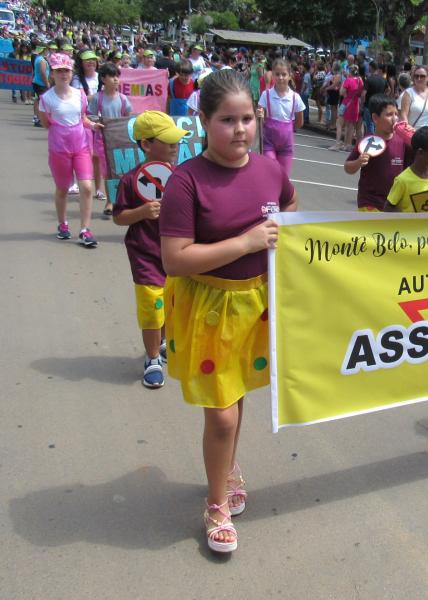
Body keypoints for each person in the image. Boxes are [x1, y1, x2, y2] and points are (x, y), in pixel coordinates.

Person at [160, 69, 298, 553]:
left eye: (247, 118)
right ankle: (217, 505)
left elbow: (290, 212)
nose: (240, 129)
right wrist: (244, 242)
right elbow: (174, 258)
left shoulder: (270, 170)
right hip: (209, 306)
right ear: (202, 121)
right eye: (226, 120)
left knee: (235, 395)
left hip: (256, 306)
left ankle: (227, 466)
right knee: (220, 415)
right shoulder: (185, 181)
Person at [113, 112, 188, 387]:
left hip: (176, 257)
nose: (174, 146)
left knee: (171, 305)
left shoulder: (181, 177)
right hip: (144, 256)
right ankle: (153, 357)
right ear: (145, 144)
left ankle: (165, 342)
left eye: (175, 140)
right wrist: (142, 211)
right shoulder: (130, 180)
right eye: (167, 141)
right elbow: (119, 217)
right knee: (152, 310)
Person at [39, 52, 104, 246]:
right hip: (59, 149)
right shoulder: (46, 99)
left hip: (81, 146)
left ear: (71, 71)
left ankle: (84, 230)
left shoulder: (80, 94)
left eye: (66, 70)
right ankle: (63, 224)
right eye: (59, 71)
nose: (63, 74)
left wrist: (92, 126)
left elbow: (82, 118)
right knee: (63, 188)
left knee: (86, 186)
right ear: (52, 73)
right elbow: (46, 124)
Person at [344, 95, 412, 211]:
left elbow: (420, 160)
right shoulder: (366, 141)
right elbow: (348, 167)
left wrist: (414, 138)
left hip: (394, 203)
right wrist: (358, 162)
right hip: (370, 201)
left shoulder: (403, 141)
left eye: (396, 114)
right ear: (375, 118)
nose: (394, 119)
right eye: (389, 115)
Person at [88, 62, 133, 216]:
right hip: (103, 140)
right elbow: (89, 117)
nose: (115, 79)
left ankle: (123, 200)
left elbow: (126, 119)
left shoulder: (123, 99)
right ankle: (110, 201)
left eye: (117, 76)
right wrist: (96, 123)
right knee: (108, 173)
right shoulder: (97, 98)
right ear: (103, 79)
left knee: (121, 170)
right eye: (111, 76)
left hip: (119, 140)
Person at [258, 58, 305, 175]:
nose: (281, 78)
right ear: (273, 75)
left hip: (286, 142)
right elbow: (260, 120)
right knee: (270, 170)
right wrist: (259, 116)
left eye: (284, 74)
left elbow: (300, 122)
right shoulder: (266, 94)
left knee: (283, 176)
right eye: (277, 74)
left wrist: (286, 129)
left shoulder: (295, 97)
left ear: (289, 75)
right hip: (268, 140)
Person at [385, 126, 428, 213]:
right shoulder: (403, 180)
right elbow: (388, 208)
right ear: (421, 153)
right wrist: (412, 220)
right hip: (410, 226)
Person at [399, 65, 428, 152]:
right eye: (416, 76)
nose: (419, 79)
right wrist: (406, 128)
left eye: (422, 76)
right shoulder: (408, 93)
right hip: (412, 137)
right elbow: (404, 115)